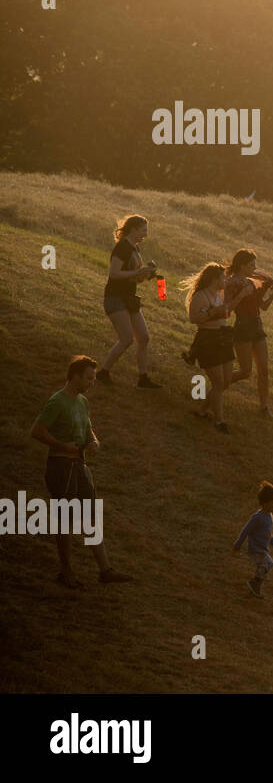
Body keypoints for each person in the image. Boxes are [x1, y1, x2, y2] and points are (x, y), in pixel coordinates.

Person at [28, 356, 133, 589]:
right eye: (88, 378)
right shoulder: (57, 402)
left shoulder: (83, 402)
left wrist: (93, 440)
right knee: (64, 521)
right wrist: (63, 445)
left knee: (90, 518)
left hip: (79, 466)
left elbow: (88, 427)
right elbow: (36, 431)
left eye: (94, 378)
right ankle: (66, 572)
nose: (92, 382)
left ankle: (105, 570)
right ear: (74, 376)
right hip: (60, 466)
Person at [97, 214, 163, 389]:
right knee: (126, 339)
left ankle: (143, 378)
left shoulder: (135, 249)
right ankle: (102, 372)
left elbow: (134, 278)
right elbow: (114, 274)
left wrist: (145, 274)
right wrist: (137, 272)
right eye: (143, 230)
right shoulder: (122, 248)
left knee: (144, 337)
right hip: (115, 298)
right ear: (133, 229)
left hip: (129, 298)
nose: (145, 234)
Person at [183, 263, 244, 433]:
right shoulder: (200, 297)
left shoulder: (218, 296)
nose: (225, 280)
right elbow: (194, 318)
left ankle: (202, 411)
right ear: (214, 279)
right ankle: (219, 421)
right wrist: (213, 313)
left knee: (225, 382)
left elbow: (223, 313)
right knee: (218, 382)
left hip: (223, 339)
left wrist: (224, 309)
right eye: (222, 277)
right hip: (208, 340)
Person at [224, 250, 273, 417]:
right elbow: (227, 311)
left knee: (264, 370)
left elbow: (263, 306)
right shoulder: (231, 283)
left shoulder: (250, 282)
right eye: (251, 265)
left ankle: (264, 407)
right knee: (245, 371)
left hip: (257, 325)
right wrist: (241, 295)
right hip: (242, 326)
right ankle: (218, 384)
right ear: (242, 265)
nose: (255, 269)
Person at [232, 481, 273, 599]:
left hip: (263, 549)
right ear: (265, 502)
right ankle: (255, 583)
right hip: (256, 549)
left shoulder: (270, 516)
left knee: (265, 566)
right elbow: (246, 530)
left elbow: (268, 532)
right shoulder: (257, 518)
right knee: (269, 563)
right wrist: (238, 543)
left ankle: (255, 587)